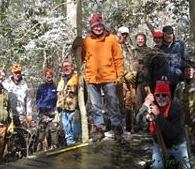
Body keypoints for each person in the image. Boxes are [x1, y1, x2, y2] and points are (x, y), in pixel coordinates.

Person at [136, 82, 191, 169]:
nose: (161, 98)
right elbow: (138, 123)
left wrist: (158, 116)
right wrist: (144, 106)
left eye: (164, 95)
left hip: (177, 144)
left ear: (169, 96)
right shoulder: (152, 107)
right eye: (158, 95)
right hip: (159, 144)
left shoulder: (176, 109)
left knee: (187, 168)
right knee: (156, 168)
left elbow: (171, 132)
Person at [82, 14, 124, 142]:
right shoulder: (87, 41)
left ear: (103, 26)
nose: (98, 28)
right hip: (92, 78)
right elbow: (80, 57)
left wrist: (120, 74)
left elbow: (118, 57)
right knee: (96, 106)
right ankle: (99, 130)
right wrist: (75, 48)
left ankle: (117, 129)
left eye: (100, 26)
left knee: (112, 104)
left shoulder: (111, 39)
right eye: (95, 26)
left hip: (109, 76)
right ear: (91, 28)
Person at [123, 32, 155, 132]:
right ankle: (138, 124)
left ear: (145, 40)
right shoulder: (133, 52)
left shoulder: (150, 51)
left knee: (149, 104)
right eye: (138, 39)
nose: (140, 40)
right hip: (136, 83)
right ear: (136, 40)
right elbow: (128, 63)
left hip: (148, 82)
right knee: (137, 104)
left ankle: (149, 125)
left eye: (142, 39)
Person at [3, 63, 33, 157]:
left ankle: (24, 155)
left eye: (19, 72)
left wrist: (29, 115)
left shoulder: (24, 84)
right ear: (12, 72)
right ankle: (7, 154)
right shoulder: (6, 83)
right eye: (15, 72)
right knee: (8, 135)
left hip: (21, 115)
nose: (17, 74)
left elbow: (28, 100)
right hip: (9, 114)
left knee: (23, 136)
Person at [174, 60, 195, 152]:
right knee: (185, 141)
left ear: (194, 71)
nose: (189, 73)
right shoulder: (180, 86)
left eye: (191, 70)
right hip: (184, 119)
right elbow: (175, 102)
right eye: (186, 71)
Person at [152, 25, 189, 97]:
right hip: (162, 82)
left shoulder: (180, 45)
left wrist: (186, 77)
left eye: (170, 34)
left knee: (177, 104)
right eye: (166, 35)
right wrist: (155, 81)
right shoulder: (158, 48)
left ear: (173, 35)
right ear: (163, 35)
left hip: (178, 80)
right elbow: (154, 67)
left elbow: (187, 61)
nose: (168, 36)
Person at [56, 60, 81, 145]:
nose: (66, 68)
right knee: (68, 134)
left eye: (68, 66)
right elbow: (59, 95)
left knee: (76, 133)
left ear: (72, 67)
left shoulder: (77, 78)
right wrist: (58, 109)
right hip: (63, 111)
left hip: (74, 110)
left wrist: (79, 109)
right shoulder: (62, 80)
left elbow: (84, 95)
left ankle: (78, 152)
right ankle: (71, 152)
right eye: (64, 67)